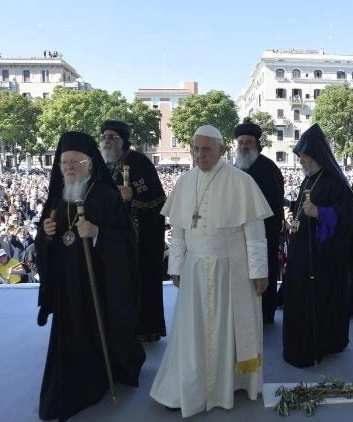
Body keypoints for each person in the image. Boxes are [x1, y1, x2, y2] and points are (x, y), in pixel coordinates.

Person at [150, 125, 272, 418]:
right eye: (196, 148)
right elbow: (177, 231)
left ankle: (230, 384)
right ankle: (188, 386)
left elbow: (255, 233)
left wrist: (259, 272)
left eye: (206, 149)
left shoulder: (241, 182)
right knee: (193, 331)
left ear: (221, 150)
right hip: (194, 269)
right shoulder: (184, 181)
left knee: (226, 329)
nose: (200, 154)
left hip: (231, 270)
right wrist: (175, 267)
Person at [35, 131, 145, 421]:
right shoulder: (57, 200)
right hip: (67, 287)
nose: (69, 167)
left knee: (101, 332)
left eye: (75, 161)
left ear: (90, 164)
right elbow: (44, 243)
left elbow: (127, 242)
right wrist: (45, 236)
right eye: (64, 163)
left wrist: (99, 235)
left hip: (101, 288)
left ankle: (103, 375)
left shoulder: (107, 197)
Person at [282, 124, 353, 368]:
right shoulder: (310, 179)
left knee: (317, 300)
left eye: (303, 156)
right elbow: (302, 207)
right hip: (302, 252)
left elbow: (348, 219)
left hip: (323, 259)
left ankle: (322, 343)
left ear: (315, 156)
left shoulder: (335, 183)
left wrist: (320, 213)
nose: (300, 161)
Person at [100, 119, 167, 342]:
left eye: (113, 137)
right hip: (112, 237)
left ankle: (145, 329)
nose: (107, 141)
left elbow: (158, 201)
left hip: (140, 238)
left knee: (141, 282)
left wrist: (133, 198)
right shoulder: (104, 164)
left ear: (123, 140)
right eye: (105, 137)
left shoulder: (139, 162)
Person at [233, 118, 285, 324]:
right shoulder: (235, 167)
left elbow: (274, 206)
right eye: (241, 143)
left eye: (248, 142)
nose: (244, 146)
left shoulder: (269, 168)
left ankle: (265, 314)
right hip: (238, 234)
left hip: (264, 233)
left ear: (256, 144)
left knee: (265, 271)